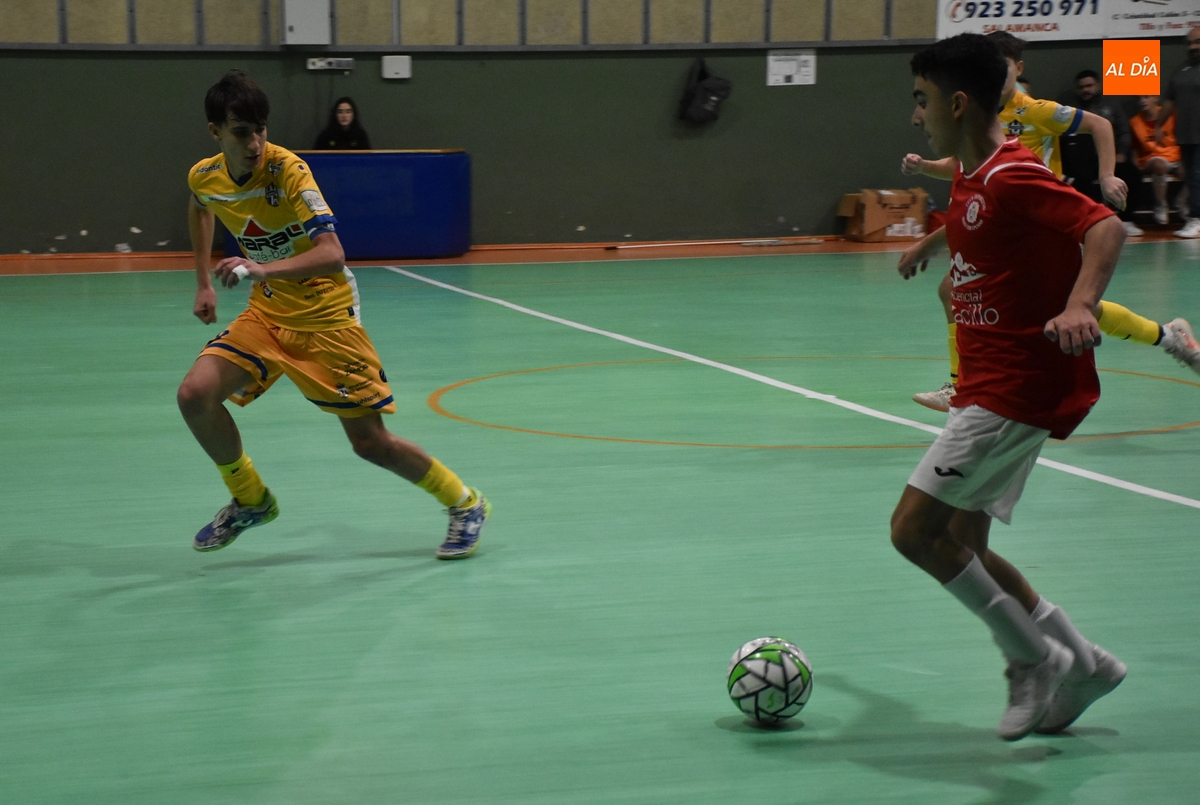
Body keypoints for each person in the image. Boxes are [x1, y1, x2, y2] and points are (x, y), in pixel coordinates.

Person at [893, 33, 1127, 741]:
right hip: (986, 385)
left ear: (958, 102)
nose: (915, 116)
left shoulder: (1012, 173)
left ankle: (1032, 658)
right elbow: (975, 222)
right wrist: (927, 244)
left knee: (913, 531)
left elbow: (1105, 226)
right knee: (966, 541)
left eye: (922, 100)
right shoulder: (974, 174)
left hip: (1012, 388)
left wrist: (1081, 303)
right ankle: (1086, 664)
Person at [179, 70, 489, 558]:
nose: (255, 142)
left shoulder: (289, 171)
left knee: (370, 443)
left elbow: (332, 253)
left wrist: (260, 269)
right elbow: (200, 207)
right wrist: (202, 283)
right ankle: (251, 499)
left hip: (326, 315)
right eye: (241, 132)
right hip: (268, 313)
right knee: (195, 395)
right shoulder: (205, 176)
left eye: (260, 129)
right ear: (215, 131)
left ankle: (465, 502)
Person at [902, 32, 1200, 412]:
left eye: (1003, 65)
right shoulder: (982, 118)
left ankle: (964, 384)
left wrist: (1107, 175)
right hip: (1007, 224)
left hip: (1043, 225)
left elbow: (1100, 125)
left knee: (982, 292)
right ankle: (1168, 336)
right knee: (986, 294)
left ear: (1018, 68)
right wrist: (926, 169)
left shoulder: (1036, 111)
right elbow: (966, 176)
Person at [1058, 70, 1143, 237]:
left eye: (1089, 86)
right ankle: (1091, 221)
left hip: (1112, 157)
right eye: (1082, 87)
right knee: (1081, 180)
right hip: (1083, 160)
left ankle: (1127, 219)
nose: (1086, 90)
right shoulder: (1070, 109)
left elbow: (1124, 131)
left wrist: (1121, 153)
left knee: (1132, 174)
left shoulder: (1112, 105)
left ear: (1098, 85)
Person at [1159, 27, 1200, 238]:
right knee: (1191, 178)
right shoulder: (1180, 70)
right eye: (1190, 43)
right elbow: (1169, 101)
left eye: (1197, 42)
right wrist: (1158, 125)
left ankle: (1196, 218)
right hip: (1185, 136)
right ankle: (1195, 218)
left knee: (1198, 176)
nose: (1193, 46)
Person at [1130, 96, 1187, 225]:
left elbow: (1183, 139)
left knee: (1193, 169)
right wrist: (1135, 167)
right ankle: (1160, 205)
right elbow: (1134, 148)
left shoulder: (1171, 115)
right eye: (1139, 99)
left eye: (1146, 97)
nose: (1142, 101)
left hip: (1175, 156)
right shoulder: (1135, 122)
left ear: (1155, 98)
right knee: (1159, 165)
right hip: (1151, 158)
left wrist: (1184, 161)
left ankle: (1182, 201)